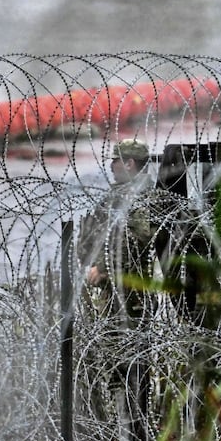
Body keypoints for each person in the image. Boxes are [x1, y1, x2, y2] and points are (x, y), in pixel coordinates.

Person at [78, 138, 157, 323]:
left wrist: (105, 267)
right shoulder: (122, 194)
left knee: (121, 341)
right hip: (113, 287)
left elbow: (137, 238)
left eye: (116, 160)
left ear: (129, 163)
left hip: (128, 290)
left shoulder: (140, 196)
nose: (112, 166)